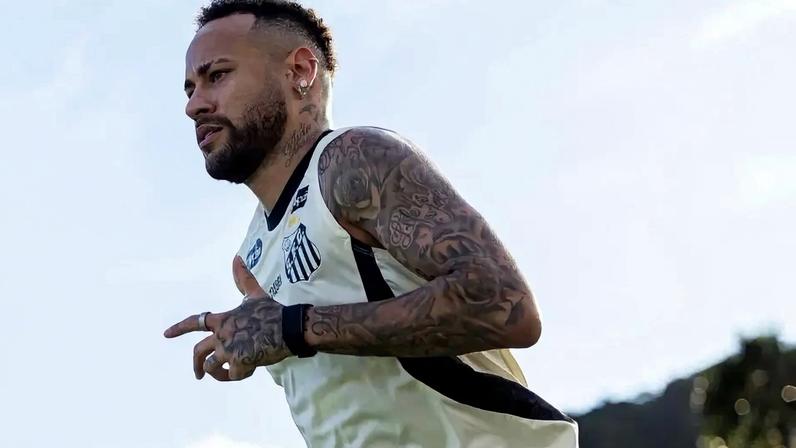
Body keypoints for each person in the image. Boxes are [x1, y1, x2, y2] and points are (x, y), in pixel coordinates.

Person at [164, 1, 579, 446]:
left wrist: (292, 328)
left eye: (217, 75)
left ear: (300, 70)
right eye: (189, 88)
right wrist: (255, 341)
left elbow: (505, 305)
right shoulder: (254, 253)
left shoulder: (351, 161)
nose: (194, 105)